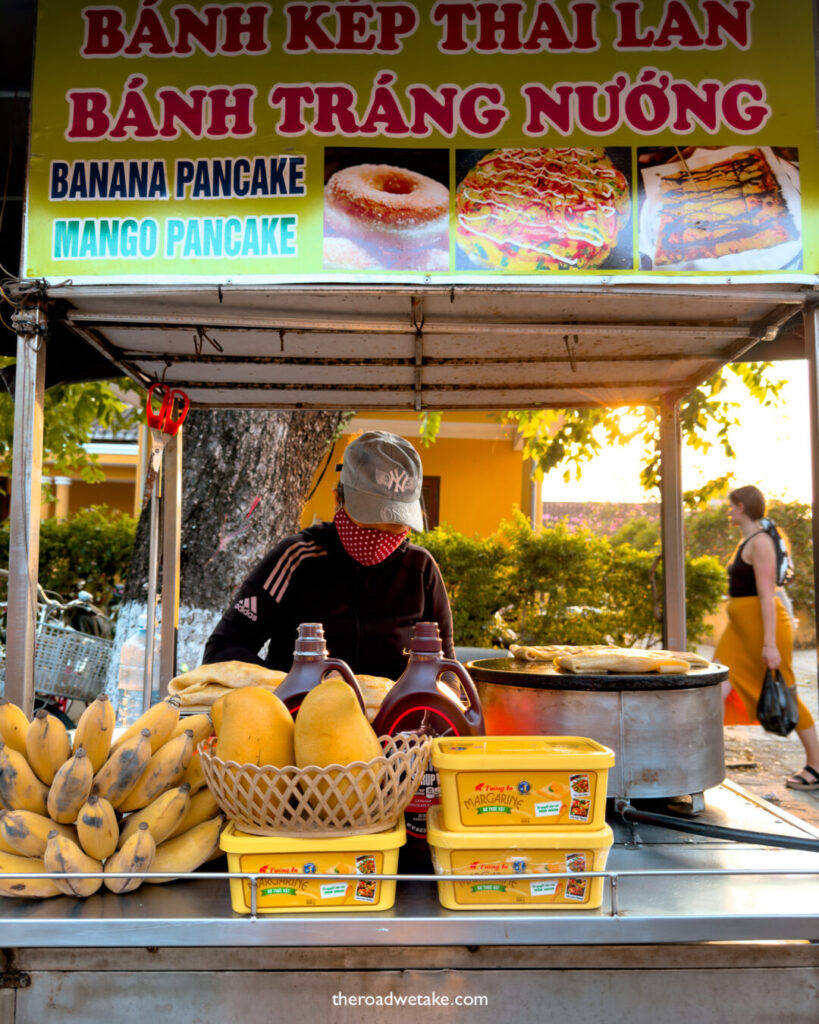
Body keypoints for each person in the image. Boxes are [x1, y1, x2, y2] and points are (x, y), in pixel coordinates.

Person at [202, 430, 455, 680]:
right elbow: (223, 649)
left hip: (393, 719)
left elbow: (447, 671)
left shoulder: (420, 571)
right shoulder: (296, 559)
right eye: (368, 523)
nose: (380, 535)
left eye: (394, 527)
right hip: (298, 717)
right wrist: (293, 685)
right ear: (338, 500)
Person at [715, 485, 819, 790]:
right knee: (713, 689)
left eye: (731, 506)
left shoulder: (760, 542)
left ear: (742, 507)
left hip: (763, 630)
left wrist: (770, 645)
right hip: (739, 632)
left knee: (785, 691)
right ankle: (707, 761)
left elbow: (766, 596)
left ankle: (817, 765)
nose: (728, 511)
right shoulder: (748, 539)